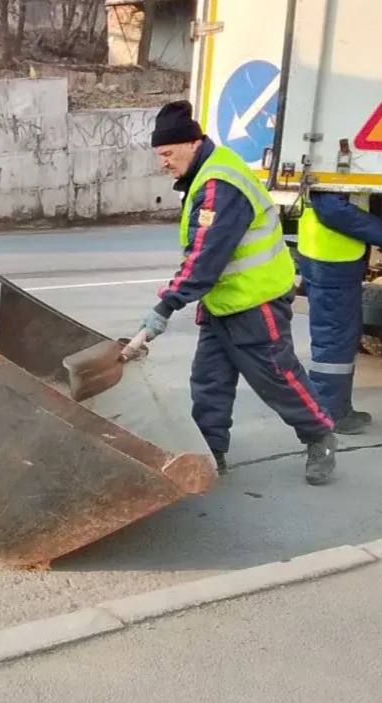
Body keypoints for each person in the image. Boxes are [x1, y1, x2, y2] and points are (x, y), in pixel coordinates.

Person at [137, 101, 338, 485]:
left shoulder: (219, 185)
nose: (162, 162)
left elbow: (205, 256)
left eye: (167, 153)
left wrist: (165, 307)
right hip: (223, 301)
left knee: (277, 376)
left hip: (255, 300)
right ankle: (213, 453)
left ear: (192, 143)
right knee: (209, 380)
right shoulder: (206, 174)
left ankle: (319, 436)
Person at [297, 191, 382, 435]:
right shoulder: (331, 169)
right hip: (331, 262)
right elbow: (332, 208)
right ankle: (329, 414)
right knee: (334, 341)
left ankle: (338, 408)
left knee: (340, 339)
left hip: (330, 259)